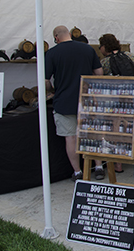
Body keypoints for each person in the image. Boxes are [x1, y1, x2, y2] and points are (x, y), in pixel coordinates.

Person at [45, 25, 104, 181]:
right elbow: (99, 73)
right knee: (93, 135)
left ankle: (78, 172)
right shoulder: (87, 49)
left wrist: (52, 89)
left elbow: (45, 81)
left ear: (56, 38)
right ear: (70, 34)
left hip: (64, 102)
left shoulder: (51, 53)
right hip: (87, 99)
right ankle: (98, 167)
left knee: (70, 138)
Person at [98, 33, 134, 178]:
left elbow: (101, 82)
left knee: (118, 132)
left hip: (116, 104)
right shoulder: (132, 57)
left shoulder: (104, 63)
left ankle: (118, 165)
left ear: (105, 46)